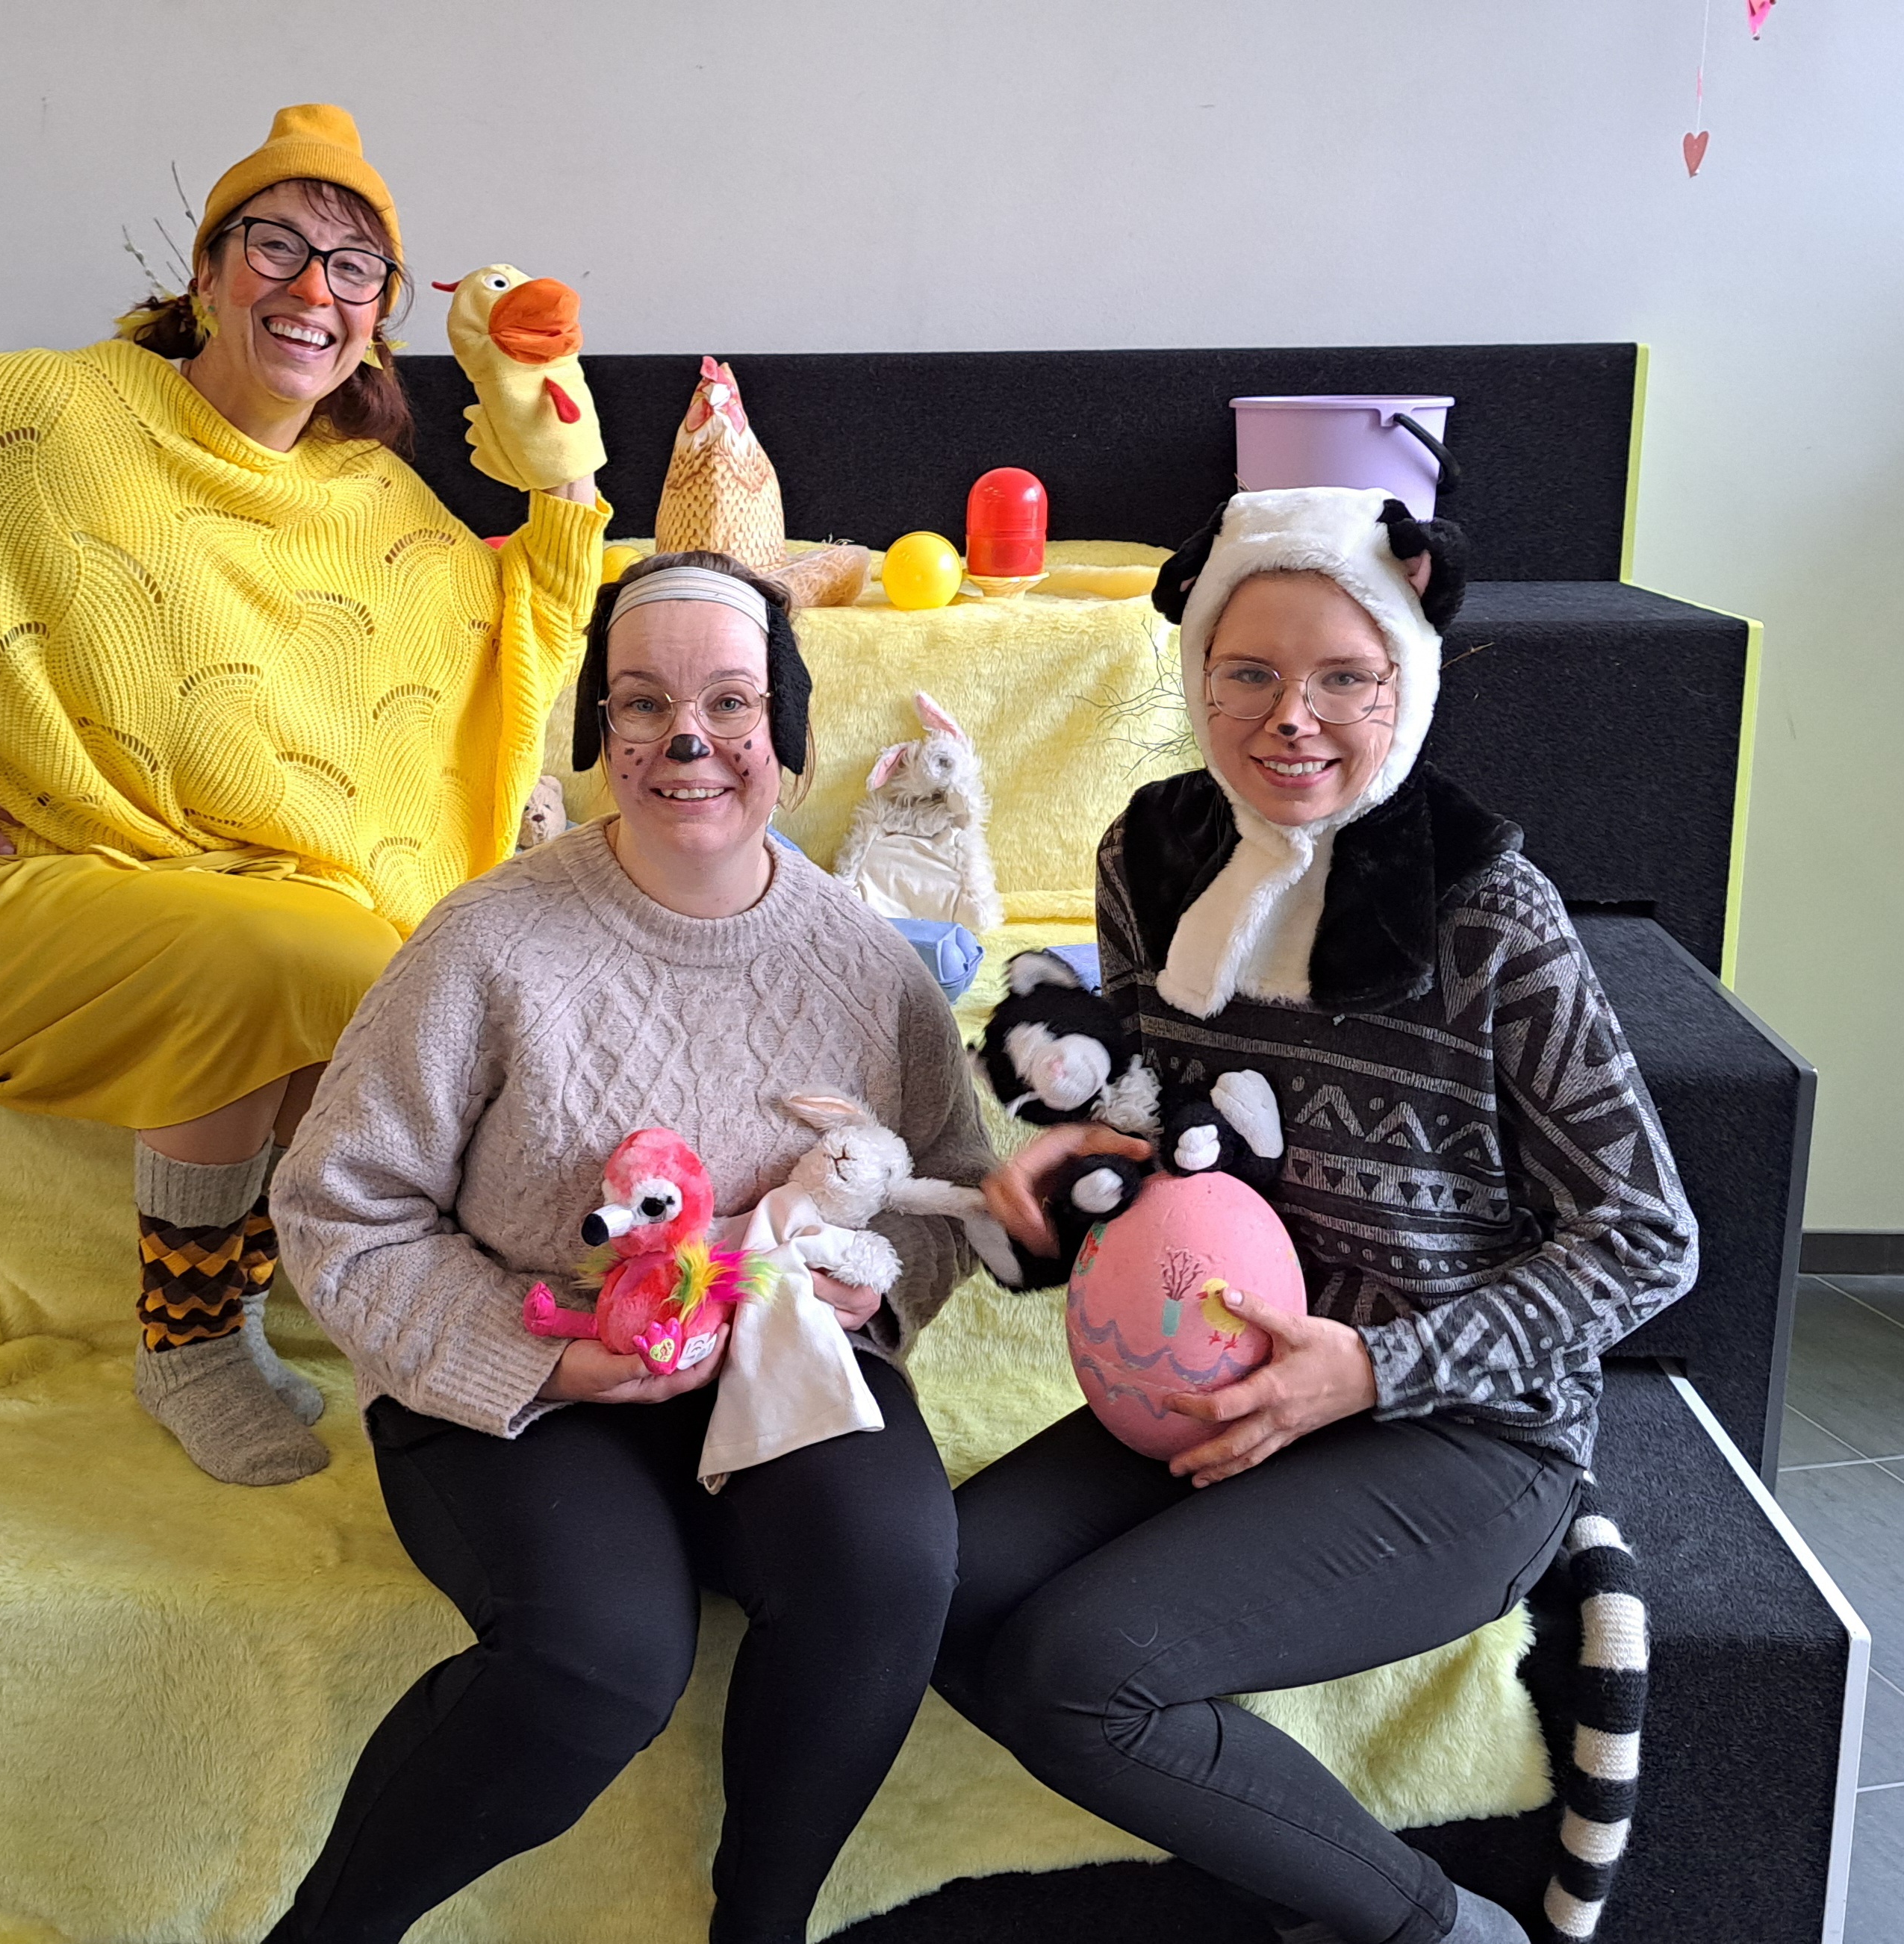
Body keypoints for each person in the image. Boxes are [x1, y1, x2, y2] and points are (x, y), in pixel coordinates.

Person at [0, 104, 607, 1486]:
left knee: (370, 982)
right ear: (207, 272)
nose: (311, 290)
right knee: (297, 958)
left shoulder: (370, 497)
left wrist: (561, 469)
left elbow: (522, 634)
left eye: (353, 268)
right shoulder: (53, 409)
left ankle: (426, 1335)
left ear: (378, 318)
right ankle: (189, 1342)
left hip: (239, 901)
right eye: (275, 247)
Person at [935, 489, 1699, 1944]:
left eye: (1345, 677)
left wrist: (1372, 1370)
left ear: (1408, 685)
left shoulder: (1489, 915)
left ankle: (1430, 1930)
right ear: (1194, 674)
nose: (1292, 718)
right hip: (1216, 1383)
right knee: (927, 1593)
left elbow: (1646, 1238)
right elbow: (1178, 1129)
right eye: (1249, 673)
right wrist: (1085, 1167)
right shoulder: (1150, 860)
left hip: (1458, 1431)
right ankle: (1302, 1879)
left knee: (1077, 1671)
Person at [269, 551, 989, 1944]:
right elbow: (339, 1208)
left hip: (774, 1364)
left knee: (889, 1574)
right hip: (524, 1379)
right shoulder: (484, 943)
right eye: (644, 704)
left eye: (730, 703)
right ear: (602, 730)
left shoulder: (867, 962)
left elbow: (942, 1187)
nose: (687, 741)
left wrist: (865, 1290)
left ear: (788, 728)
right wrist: (541, 1362)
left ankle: (760, 1927)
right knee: (599, 1661)